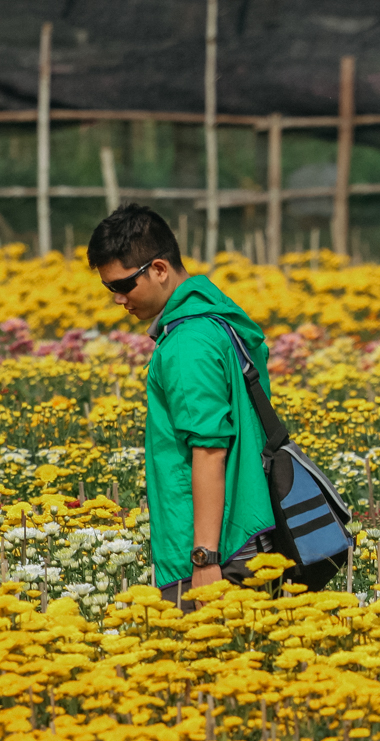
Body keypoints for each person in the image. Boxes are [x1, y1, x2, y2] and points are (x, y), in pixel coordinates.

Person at [88, 205, 336, 605]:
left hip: (214, 552)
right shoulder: (217, 320)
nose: (118, 299)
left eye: (123, 285)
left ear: (159, 269)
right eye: (108, 289)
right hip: (245, 535)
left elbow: (209, 450)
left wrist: (204, 558)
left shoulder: (188, 343)